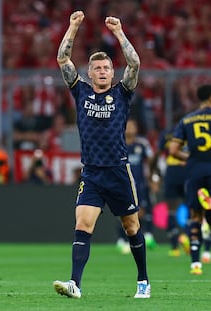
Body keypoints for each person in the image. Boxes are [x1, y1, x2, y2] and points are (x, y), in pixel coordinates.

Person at [52, 11, 150, 299]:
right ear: (90, 73)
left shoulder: (123, 93)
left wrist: (119, 33)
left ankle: (143, 280)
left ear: (112, 71)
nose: (103, 71)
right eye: (98, 68)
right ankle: (76, 284)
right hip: (92, 172)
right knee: (82, 223)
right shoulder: (80, 92)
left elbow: (135, 63)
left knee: (132, 226)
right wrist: (72, 27)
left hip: (118, 170)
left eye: (107, 67)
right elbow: (62, 59)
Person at [169, 84, 211, 275]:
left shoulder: (187, 120)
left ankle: (195, 263)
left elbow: (173, 151)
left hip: (196, 170)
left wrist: (190, 158)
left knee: (194, 216)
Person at [116, 118, 157, 254]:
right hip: (122, 183)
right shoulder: (118, 143)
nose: (131, 128)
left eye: (133, 126)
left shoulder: (142, 144)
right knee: (123, 211)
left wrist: (153, 179)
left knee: (141, 211)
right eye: (128, 125)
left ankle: (144, 236)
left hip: (139, 184)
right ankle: (122, 240)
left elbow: (151, 162)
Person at [151, 122, 190, 257]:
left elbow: (157, 155)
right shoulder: (190, 129)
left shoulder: (167, 134)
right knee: (191, 207)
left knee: (171, 210)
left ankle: (174, 247)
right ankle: (186, 236)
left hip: (171, 172)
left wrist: (154, 176)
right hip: (187, 171)